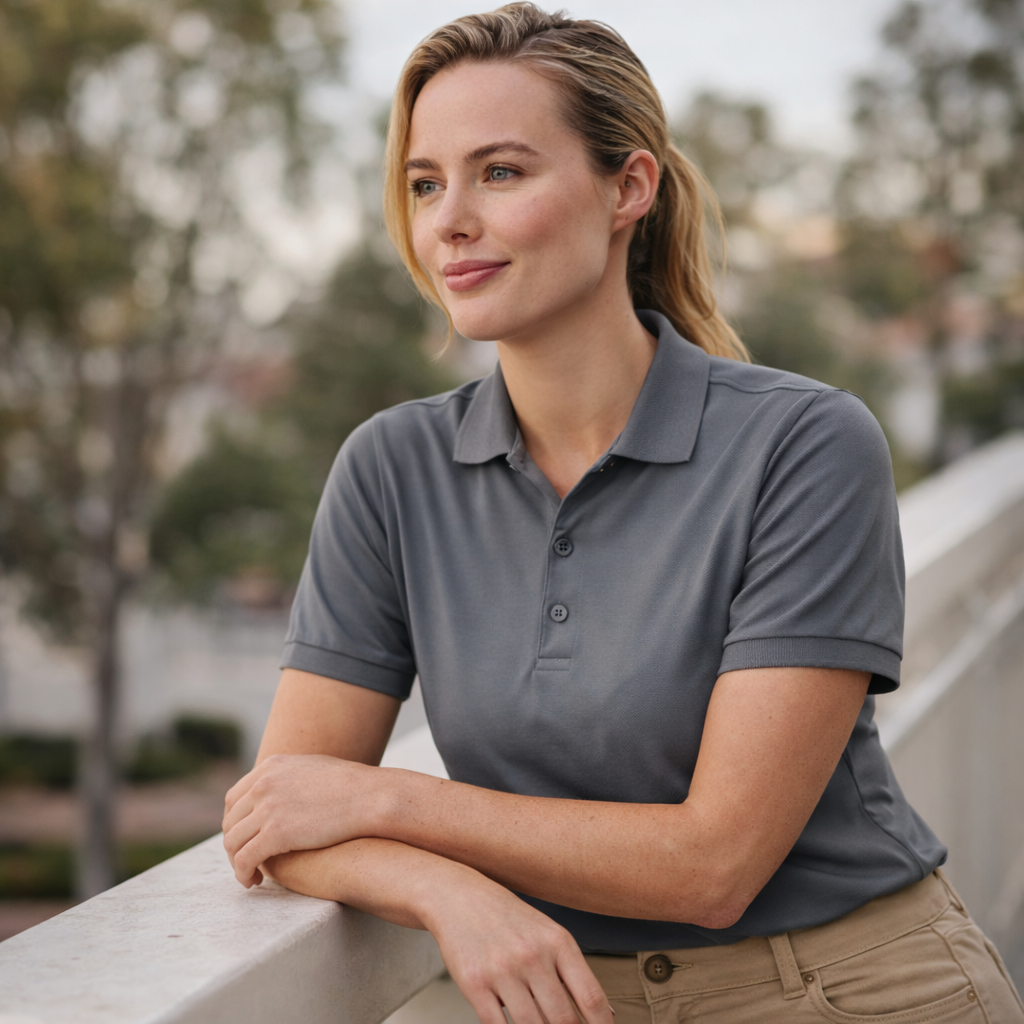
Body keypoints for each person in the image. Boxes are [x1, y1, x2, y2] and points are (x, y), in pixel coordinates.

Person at [222, 6, 1024, 1022]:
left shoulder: (805, 444)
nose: (448, 220)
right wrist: (446, 891)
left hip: (845, 990)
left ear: (628, 188)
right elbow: (284, 811)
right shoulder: (390, 469)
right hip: (563, 999)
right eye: (425, 184)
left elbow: (714, 865)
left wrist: (389, 799)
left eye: (499, 172)